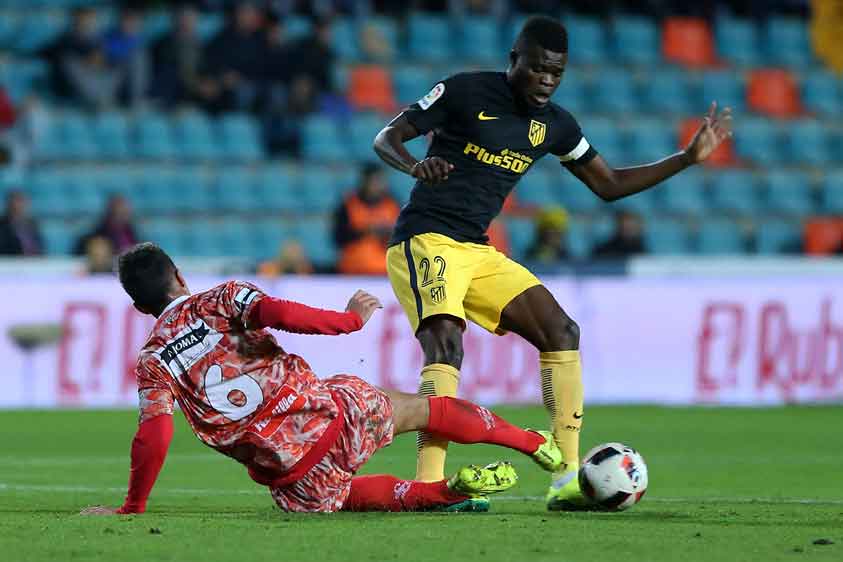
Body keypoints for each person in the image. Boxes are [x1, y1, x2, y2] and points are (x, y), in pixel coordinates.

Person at [373, 15, 732, 510]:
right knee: (445, 343)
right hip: (425, 240)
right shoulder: (463, 92)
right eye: (538, 68)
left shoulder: (556, 125)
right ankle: (429, 487)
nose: (546, 80)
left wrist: (684, 159)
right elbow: (386, 137)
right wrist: (416, 165)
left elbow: (608, 185)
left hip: (477, 250)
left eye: (556, 73)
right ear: (514, 60)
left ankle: (566, 478)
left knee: (561, 331)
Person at [81, 243, 562, 515]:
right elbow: (280, 312)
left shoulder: (152, 360)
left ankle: (445, 493)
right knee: (423, 409)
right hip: (334, 415)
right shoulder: (219, 299)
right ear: (180, 276)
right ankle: (531, 443)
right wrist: (349, 320)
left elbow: (155, 433)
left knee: (343, 496)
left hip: (292, 478)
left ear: (140, 306)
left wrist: (133, 505)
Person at [333, 163, 400, 275]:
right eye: (374, 181)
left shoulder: (392, 205)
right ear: (364, 181)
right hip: (352, 271)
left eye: (380, 181)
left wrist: (387, 233)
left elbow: (402, 238)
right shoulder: (348, 205)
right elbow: (339, 238)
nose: (378, 185)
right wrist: (366, 231)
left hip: (385, 272)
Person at [74, 195, 139, 256]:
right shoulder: (98, 233)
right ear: (111, 212)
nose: (124, 216)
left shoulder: (131, 232)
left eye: (126, 212)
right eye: (121, 212)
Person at [0, 191, 43, 256]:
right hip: (11, 262)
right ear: (9, 204)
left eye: (21, 202)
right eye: (16, 202)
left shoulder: (32, 223)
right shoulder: (2, 224)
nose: (19, 206)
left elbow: (39, 245)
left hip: (34, 262)